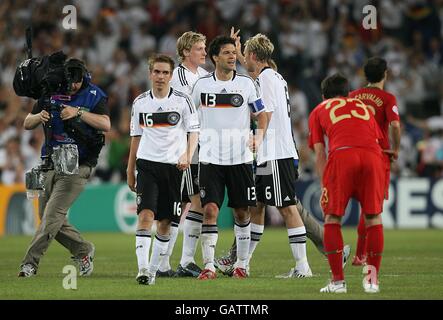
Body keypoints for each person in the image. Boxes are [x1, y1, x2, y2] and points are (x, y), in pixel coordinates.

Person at [214, 29, 350, 277]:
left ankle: (302, 267)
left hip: (275, 152)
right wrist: (239, 47)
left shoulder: (266, 80)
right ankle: (242, 264)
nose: (242, 58)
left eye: (245, 54)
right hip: (271, 152)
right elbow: (255, 72)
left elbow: (265, 113)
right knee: (257, 206)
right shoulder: (274, 77)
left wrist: (255, 134)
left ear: (254, 55)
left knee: (287, 208)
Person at [18, 58, 110, 277]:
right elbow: (26, 123)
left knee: (52, 216)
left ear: (84, 78)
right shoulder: (50, 90)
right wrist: (38, 116)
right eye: (70, 82)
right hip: (49, 163)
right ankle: (83, 250)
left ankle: (30, 263)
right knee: (49, 219)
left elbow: (106, 124)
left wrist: (78, 112)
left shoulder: (94, 94)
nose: (73, 87)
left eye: (77, 83)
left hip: (78, 165)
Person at [191, 35, 268, 280]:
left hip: (241, 159)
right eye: (227, 52)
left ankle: (242, 265)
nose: (233, 56)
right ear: (215, 57)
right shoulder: (202, 86)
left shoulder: (246, 84)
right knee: (210, 210)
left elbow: (262, 115)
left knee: (242, 212)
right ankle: (210, 266)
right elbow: (189, 117)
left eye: (234, 52)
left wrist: (260, 136)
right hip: (210, 159)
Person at [309, 74, 385, 293]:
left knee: (332, 217)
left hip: (342, 156)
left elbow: (320, 150)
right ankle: (371, 280)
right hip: (372, 157)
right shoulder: (362, 106)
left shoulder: (320, 109)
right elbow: (377, 139)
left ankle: (338, 282)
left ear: (324, 95)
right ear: (348, 92)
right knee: (373, 217)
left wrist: (324, 182)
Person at [127, 54, 199, 285]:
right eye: (156, 72)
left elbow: (193, 131)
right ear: (150, 74)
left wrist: (187, 155)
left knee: (166, 223)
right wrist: (130, 169)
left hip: (173, 168)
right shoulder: (140, 103)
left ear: (170, 75)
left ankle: (153, 272)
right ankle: (143, 269)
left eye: (165, 73)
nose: (160, 77)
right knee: (146, 215)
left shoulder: (182, 101)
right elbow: (135, 137)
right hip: (147, 165)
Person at [156, 31, 208, 278]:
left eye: (205, 48)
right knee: (187, 201)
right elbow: (180, 110)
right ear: (186, 52)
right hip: (183, 147)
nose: (204, 52)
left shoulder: (206, 76)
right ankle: (173, 262)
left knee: (189, 201)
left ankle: (172, 263)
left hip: (203, 147)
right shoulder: (177, 77)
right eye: (199, 48)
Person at [349, 57, 401, 267]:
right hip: (378, 155)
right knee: (372, 207)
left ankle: (358, 255)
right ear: (385, 74)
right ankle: (362, 256)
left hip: (353, 153)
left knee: (360, 207)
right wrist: (396, 149)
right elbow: (395, 125)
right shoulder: (388, 98)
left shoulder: (353, 96)